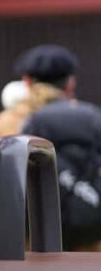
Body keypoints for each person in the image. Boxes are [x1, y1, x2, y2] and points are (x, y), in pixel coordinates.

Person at [18, 44, 101, 251]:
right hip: (92, 233)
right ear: (70, 83)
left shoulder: (15, 120)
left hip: (37, 238)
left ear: (27, 81)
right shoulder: (92, 116)